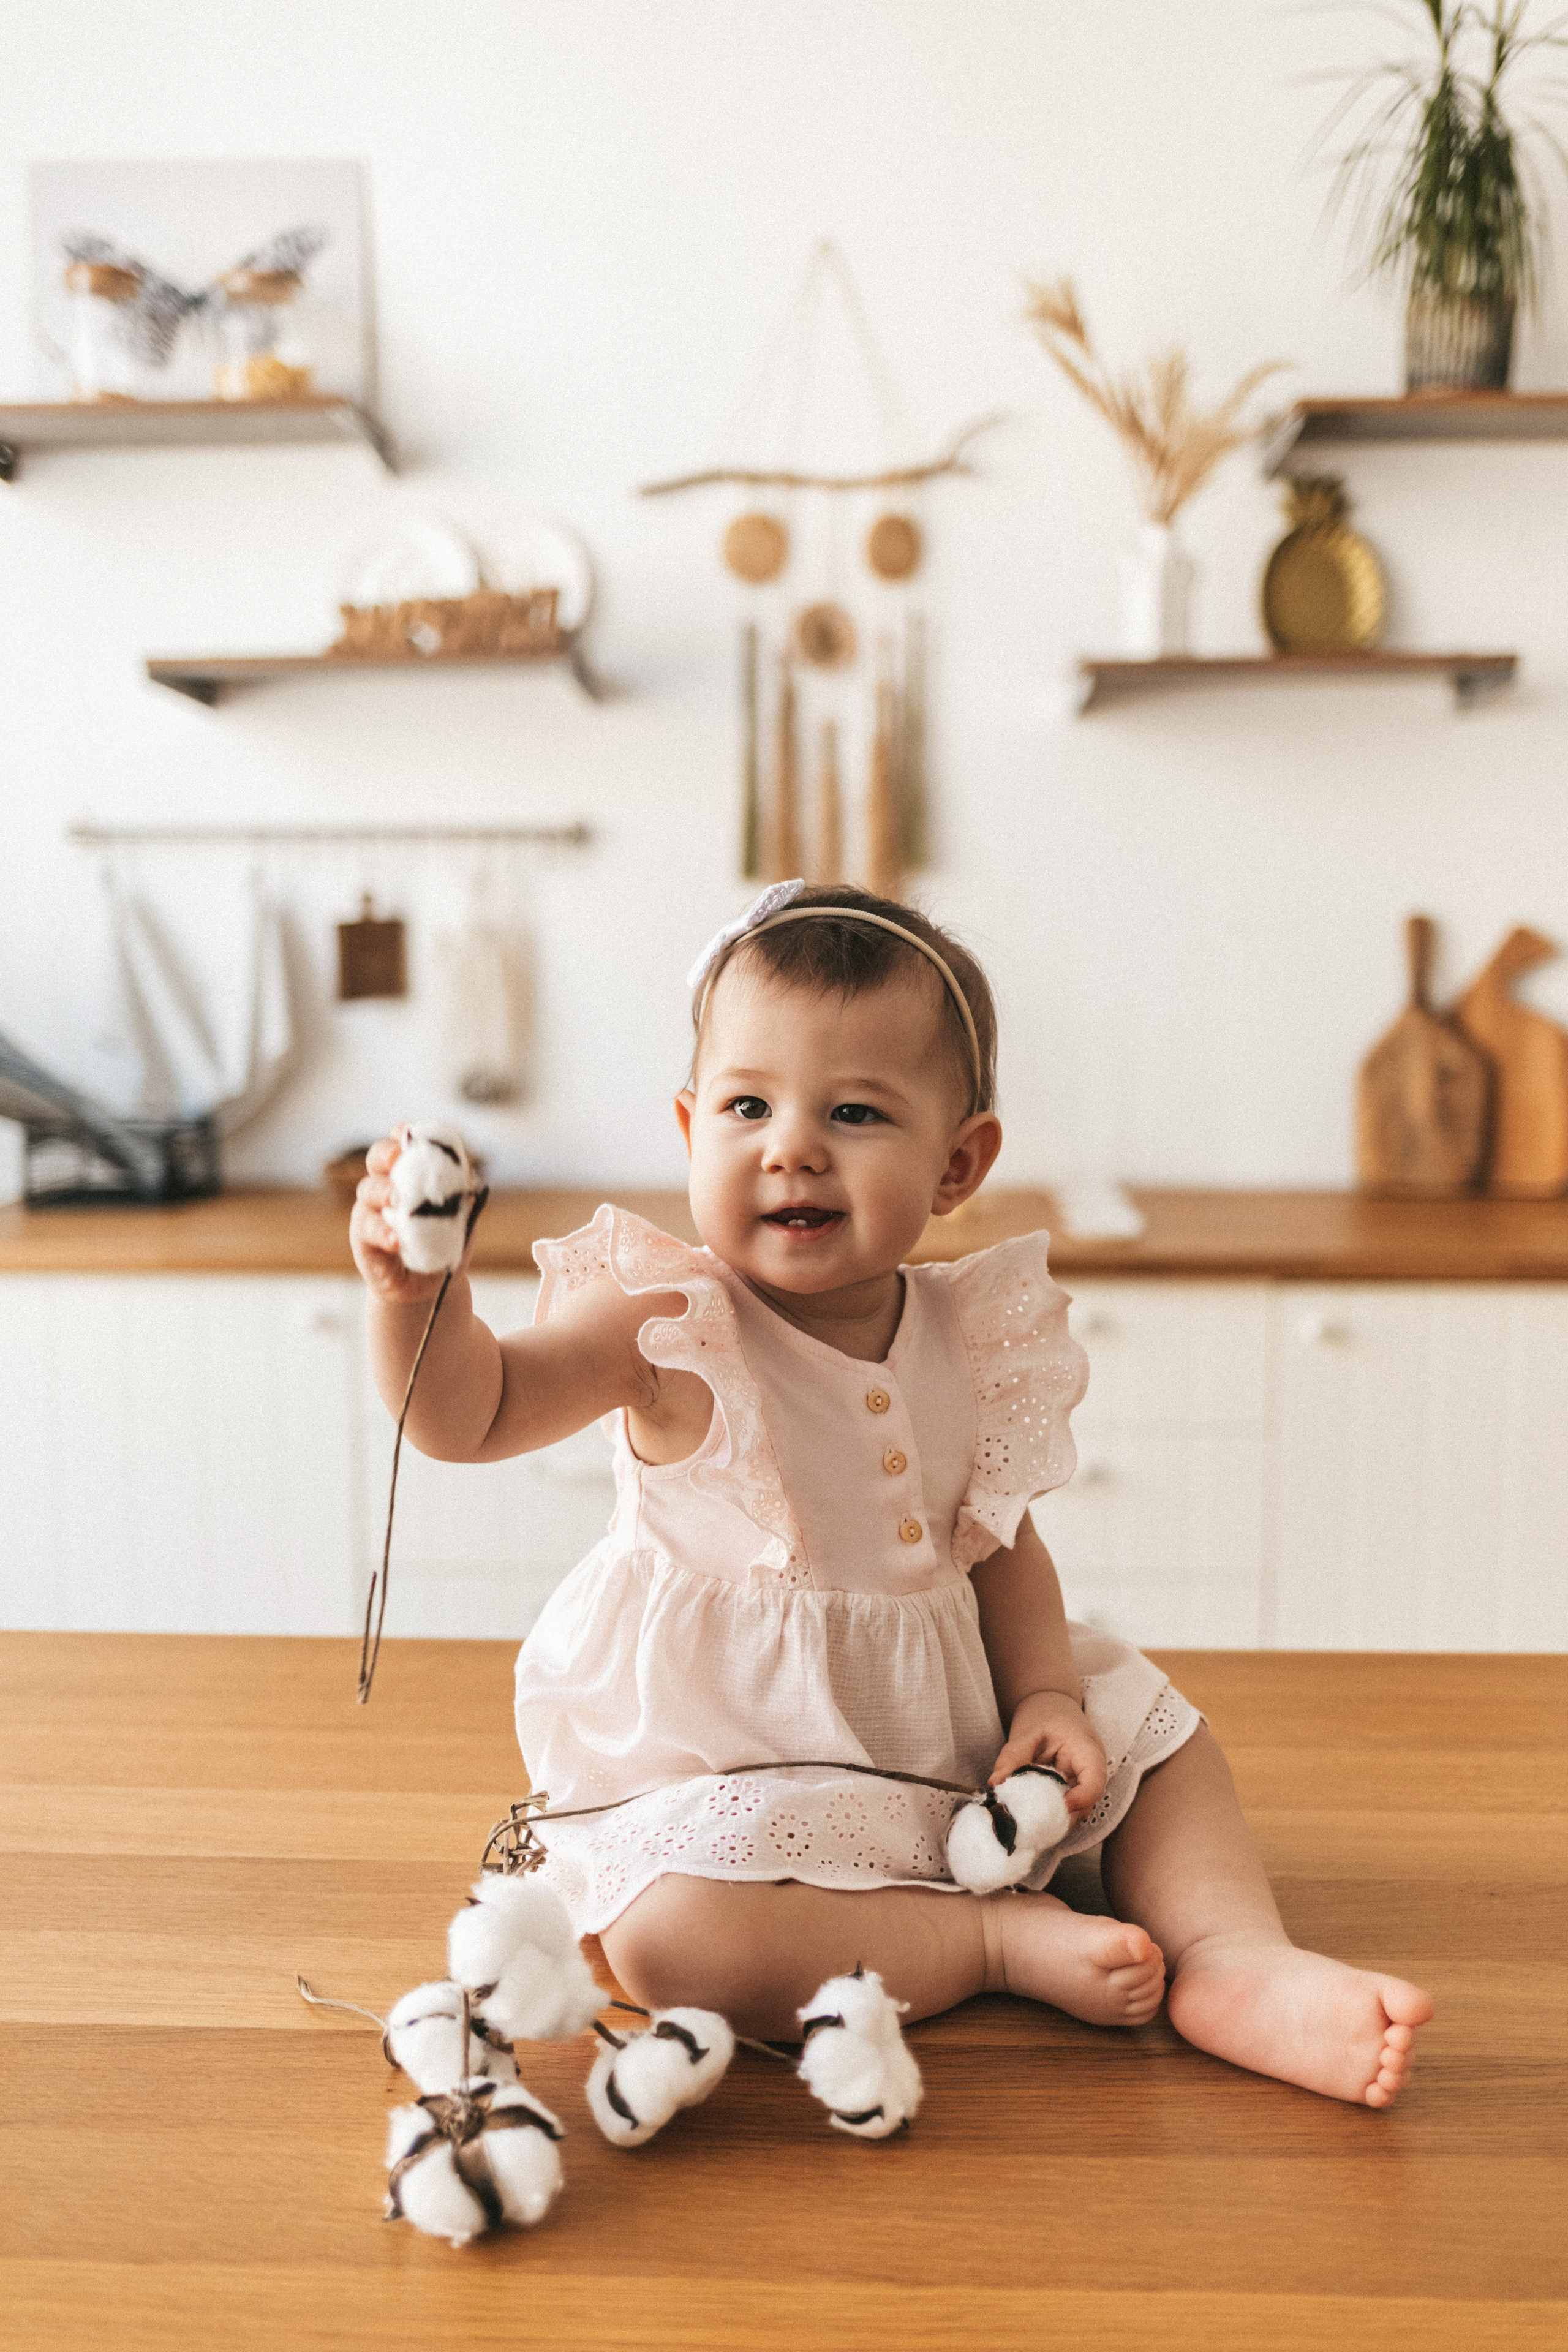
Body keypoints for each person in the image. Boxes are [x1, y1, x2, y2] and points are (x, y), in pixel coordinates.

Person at [350, 881, 1433, 2105]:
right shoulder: (665, 1320)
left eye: (854, 1110)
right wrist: (410, 1301)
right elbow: (468, 1412)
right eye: (746, 1104)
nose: (791, 1144)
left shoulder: (967, 1335)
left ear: (956, 1163)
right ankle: (983, 1944)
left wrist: (1044, 1695)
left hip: (943, 1736)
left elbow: (998, 1542)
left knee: (1165, 1746)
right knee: (669, 1943)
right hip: (731, 1770)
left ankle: (1234, 1957)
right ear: (689, 1123)